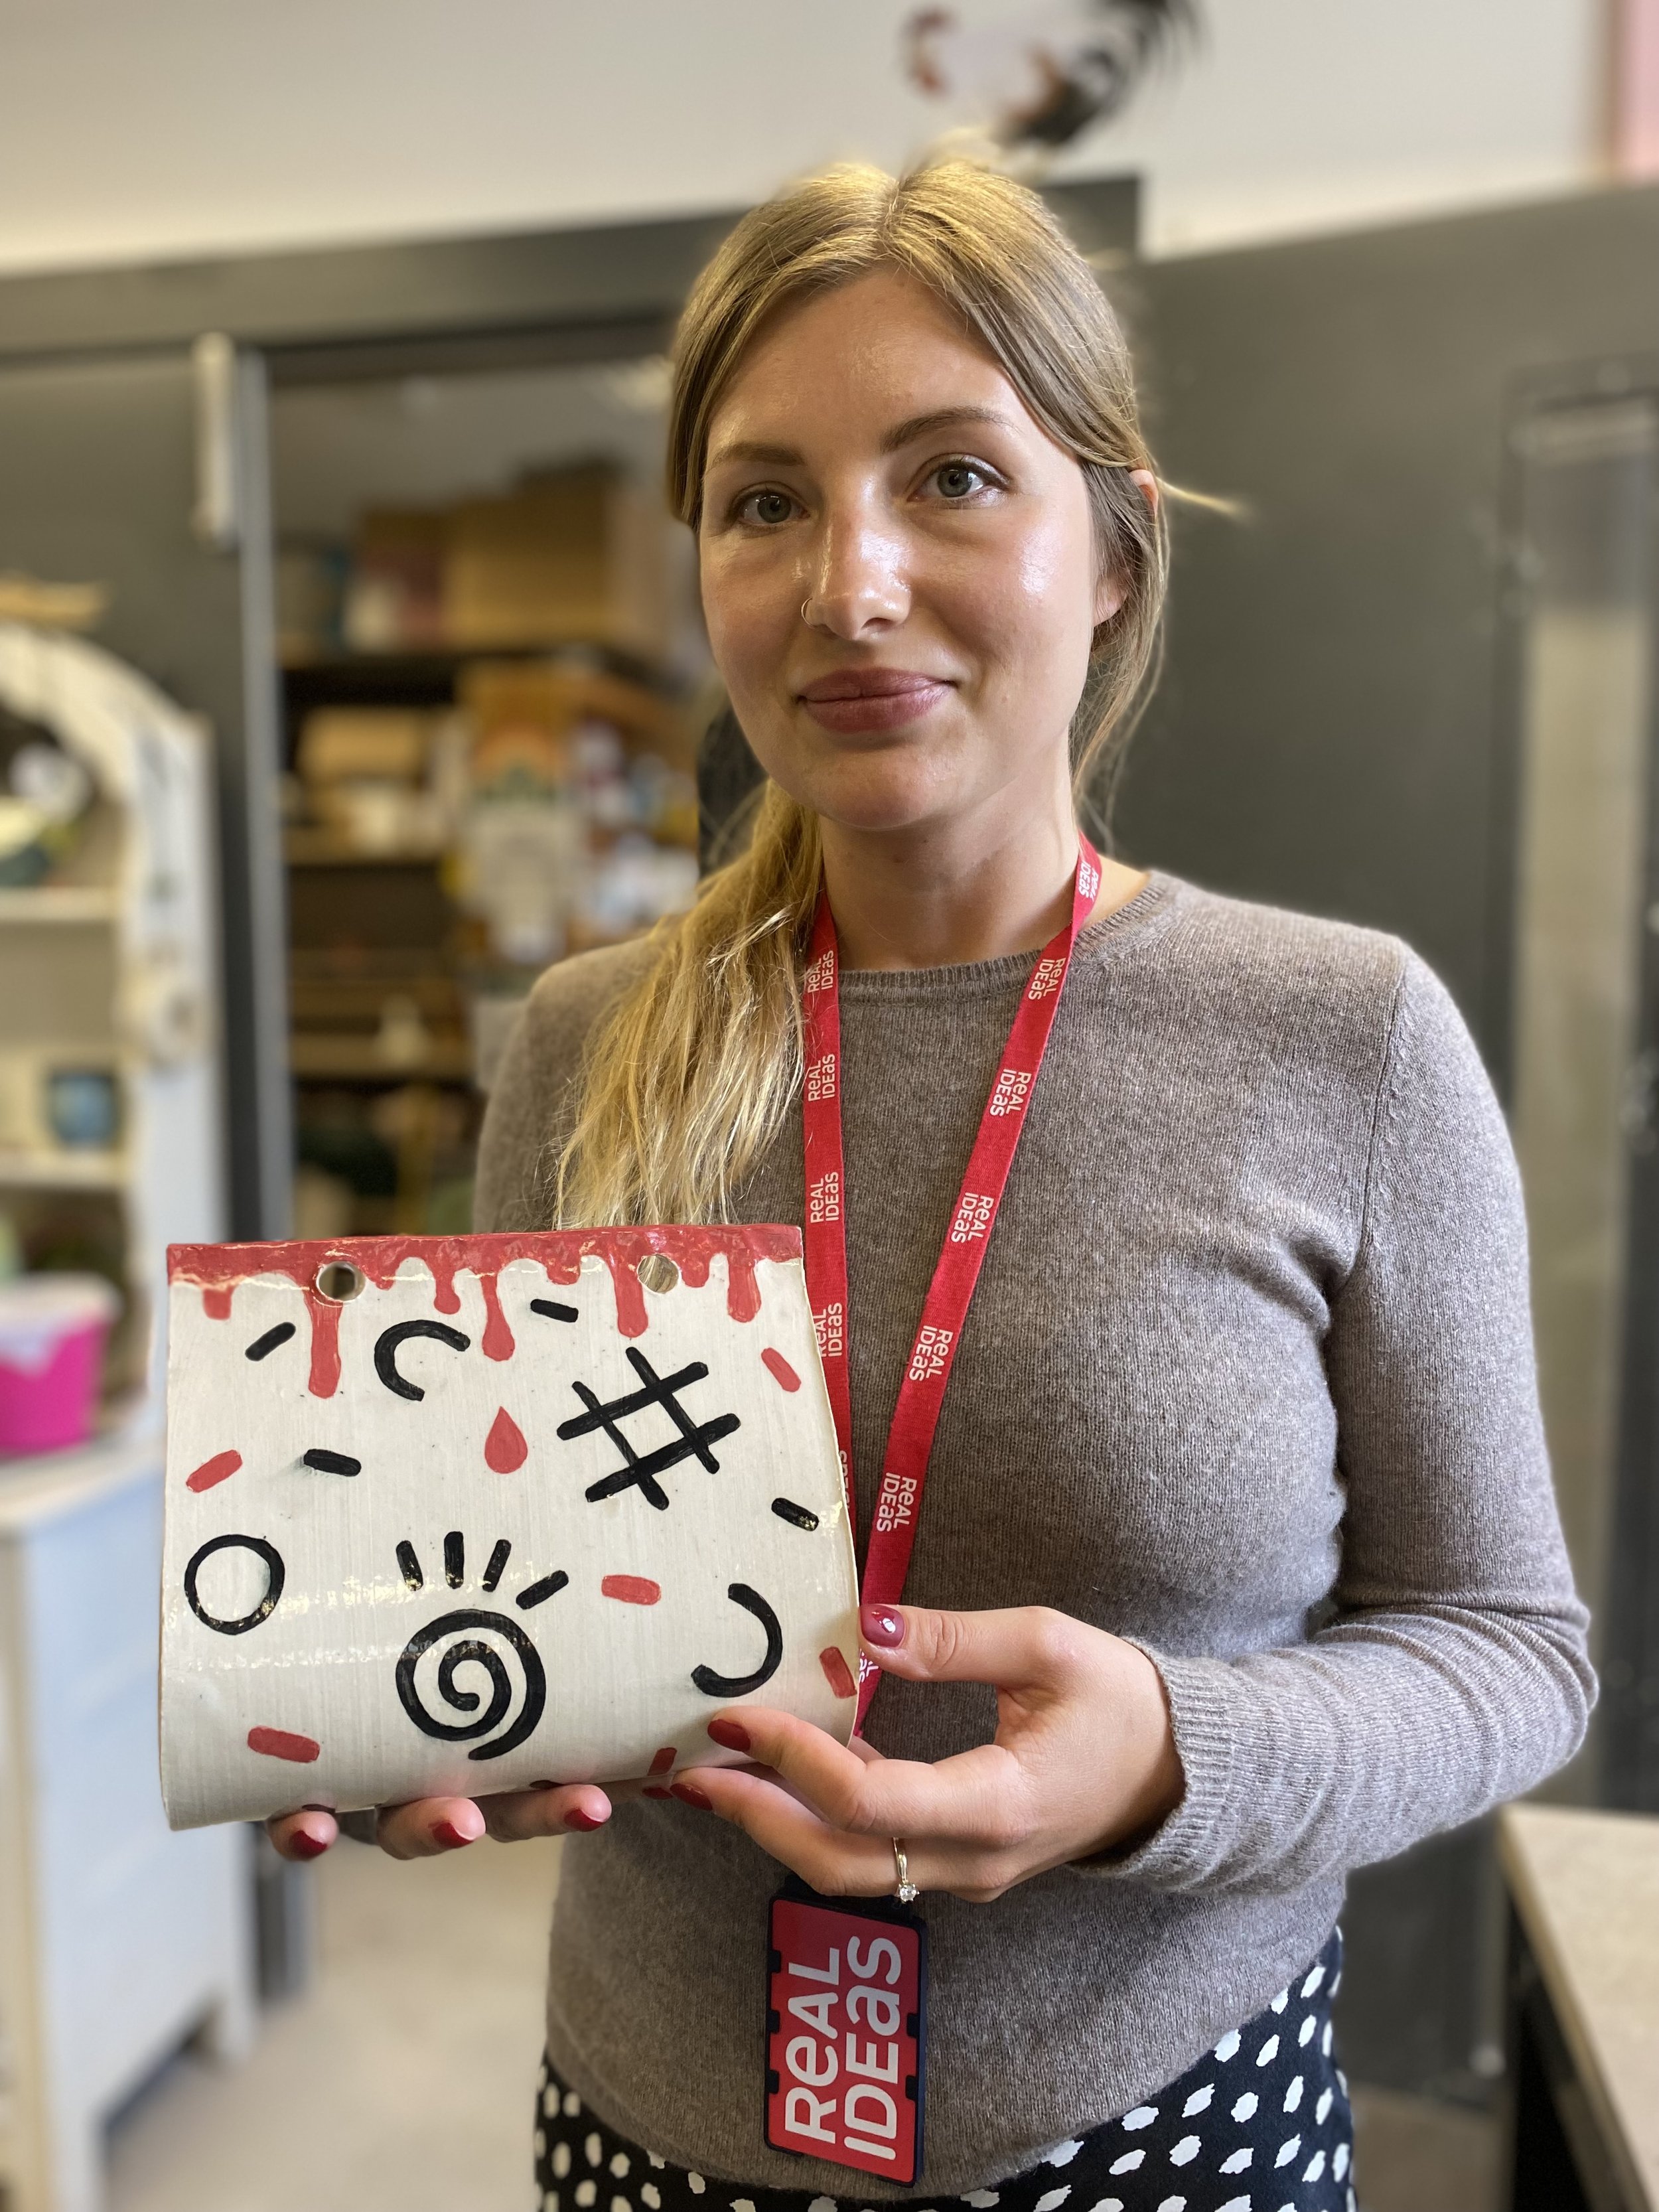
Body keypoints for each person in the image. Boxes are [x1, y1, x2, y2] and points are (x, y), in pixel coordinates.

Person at [269, 159, 1593, 2212]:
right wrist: (395, 1707)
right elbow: (497, 1573)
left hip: (1152, 2125)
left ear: (1113, 549)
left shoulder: (1341, 1039)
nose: (848, 585)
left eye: (952, 477)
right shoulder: (584, 1040)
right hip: (648, 2126)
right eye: (762, 502)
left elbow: (1506, 1649)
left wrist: (1169, 1754)